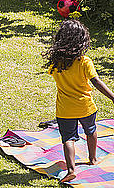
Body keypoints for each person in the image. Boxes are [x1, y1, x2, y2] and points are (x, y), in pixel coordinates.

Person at [44, 19, 114, 182]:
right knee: (91, 131)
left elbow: (54, 74)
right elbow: (96, 81)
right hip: (85, 106)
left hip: (65, 109)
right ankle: (93, 159)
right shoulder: (84, 62)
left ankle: (71, 169)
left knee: (68, 138)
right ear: (82, 41)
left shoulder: (56, 63)